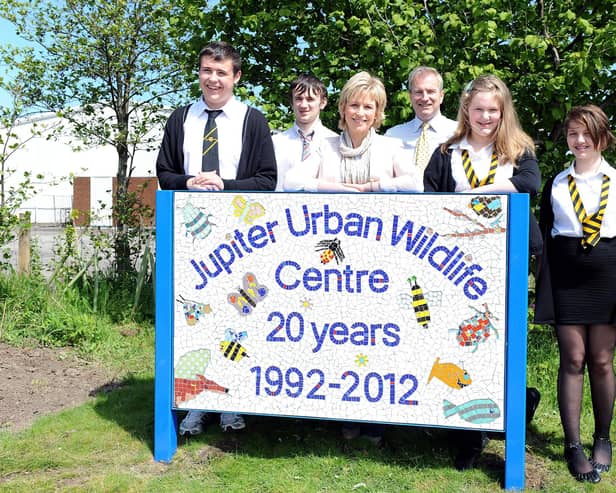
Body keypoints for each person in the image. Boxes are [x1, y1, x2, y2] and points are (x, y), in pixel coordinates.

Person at [156, 41, 277, 435]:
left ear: (236, 77)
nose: (213, 79)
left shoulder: (251, 120)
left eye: (222, 72)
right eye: (207, 70)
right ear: (199, 73)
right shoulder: (181, 118)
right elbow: (164, 172)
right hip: (191, 239)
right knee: (194, 319)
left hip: (239, 238)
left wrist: (224, 185)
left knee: (236, 318)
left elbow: (266, 180)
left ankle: (232, 401)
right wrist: (189, 182)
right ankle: (195, 404)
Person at [423, 74, 542, 470]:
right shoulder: (446, 151)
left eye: (493, 110)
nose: (486, 116)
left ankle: (514, 403)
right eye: (478, 109)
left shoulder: (518, 149)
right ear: (466, 111)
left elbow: (529, 184)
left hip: (506, 256)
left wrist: (477, 193)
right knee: (463, 341)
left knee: (501, 339)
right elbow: (431, 201)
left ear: (503, 111)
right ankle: (469, 435)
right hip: (458, 263)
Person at [534, 105, 616, 484]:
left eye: (586, 133)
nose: (579, 140)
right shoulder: (557, 182)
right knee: (573, 358)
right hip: (566, 278)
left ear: (602, 136)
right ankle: (573, 445)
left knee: (600, 360)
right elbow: (546, 233)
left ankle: (602, 438)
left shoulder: (615, 180)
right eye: (572, 133)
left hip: (608, 278)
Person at [283, 71, 422, 193]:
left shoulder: (392, 147)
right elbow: (290, 182)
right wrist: (337, 188)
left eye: (368, 107)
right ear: (343, 108)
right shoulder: (324, 146)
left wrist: (373, 187)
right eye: (354, 105)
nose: (360, 113)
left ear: (377, 113)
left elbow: (416, 183)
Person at [385, 66, 457, 176]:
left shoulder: (459, 133)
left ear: (441, 96)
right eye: (418, 92)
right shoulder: (392, 136)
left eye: (431, 91)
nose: (424, 98)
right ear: (410, 96)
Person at [273, 73, 337, 191]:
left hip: (321, 208)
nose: (303, 105)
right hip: (281, 207)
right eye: (298, 98)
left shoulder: (335, 143)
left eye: (310, 99)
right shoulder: (275, 143)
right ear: (291, 103)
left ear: (323, 103)